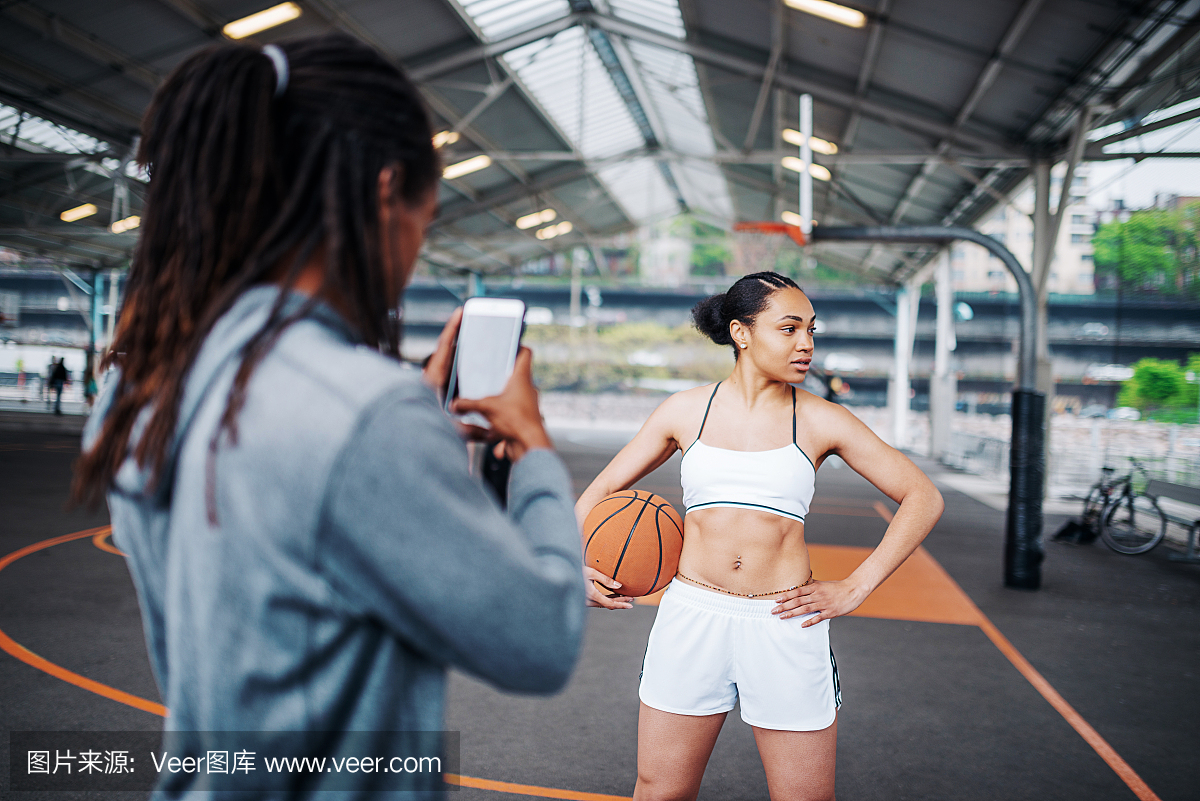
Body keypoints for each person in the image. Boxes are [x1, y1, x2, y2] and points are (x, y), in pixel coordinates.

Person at [74, 35, 584, 797]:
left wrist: (413, 435)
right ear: (385, 194)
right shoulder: (366, 414)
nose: (413, 252)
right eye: (425, 216)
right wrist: (534, 448)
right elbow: (540, 637)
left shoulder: (141, 387)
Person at [576, 272, 944, 801]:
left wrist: (857, 586)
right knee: (660, 790)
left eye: (811, 330)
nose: (807, 344)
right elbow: (603, 487)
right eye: (789, 328)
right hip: (692, 616)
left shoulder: (822, 420)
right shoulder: (685, 411)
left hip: (785, 622)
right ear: (741, 333)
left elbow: (922, 496)